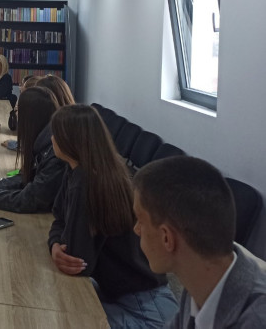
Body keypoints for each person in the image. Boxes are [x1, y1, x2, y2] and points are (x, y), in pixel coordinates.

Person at [47, 104, 177, 328]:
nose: (51, 139)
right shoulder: (78, 169)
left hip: (145, 308)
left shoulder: (86, 182)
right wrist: (55, 244)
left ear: (70, 140)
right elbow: (59, 217)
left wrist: (59, 246)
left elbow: (78, 261)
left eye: (56, 134)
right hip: (119, 293)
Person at [133, 156, 266, 328]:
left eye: (140, 221)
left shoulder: (256, 320)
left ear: (167, 238)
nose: (136, 229)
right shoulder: (199, 277)